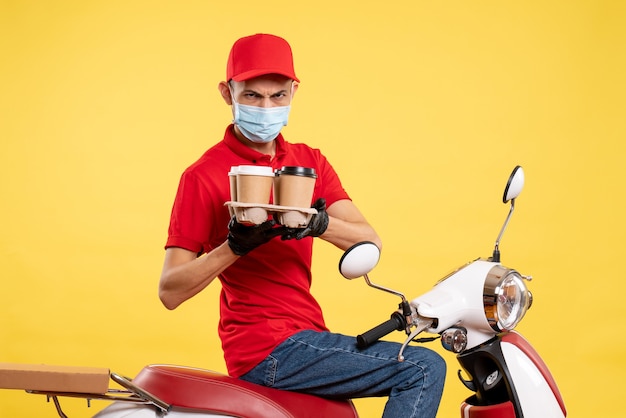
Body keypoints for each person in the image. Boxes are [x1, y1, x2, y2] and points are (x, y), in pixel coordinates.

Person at [159, 33, 445, 418]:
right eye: (251, 96)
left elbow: (367, 238)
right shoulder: (204, 176)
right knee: (421, 368)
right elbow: (170, 291)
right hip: (265, 348)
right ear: (227, 93)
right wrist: (235, 247)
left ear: (294, 91)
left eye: (277, 95)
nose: (266, 106)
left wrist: (319, 224)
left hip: (307, 337)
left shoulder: (309, 163)